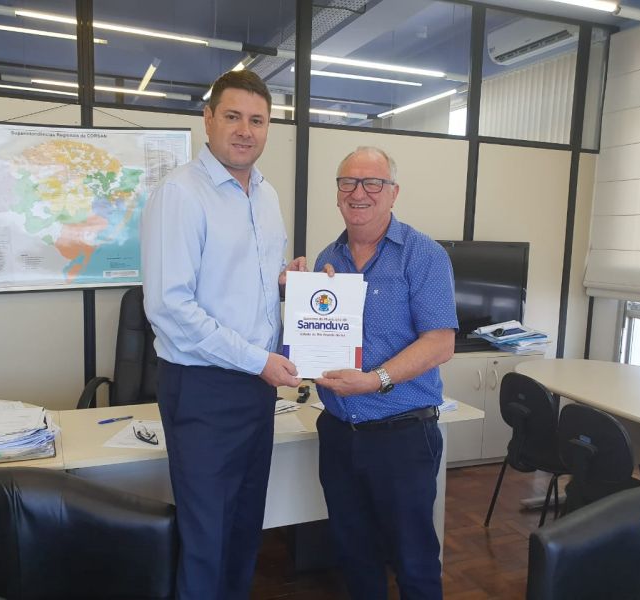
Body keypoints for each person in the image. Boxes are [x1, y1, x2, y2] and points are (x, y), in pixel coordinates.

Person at [141, 70, 305, 600]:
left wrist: (287, 282)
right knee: (206, 537)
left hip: (256, 388)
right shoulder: (180, 194)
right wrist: (259, 361)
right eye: (233, 116)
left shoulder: (266, 194)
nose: (245, 130)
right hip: (204, 388)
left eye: (257, 120)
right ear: (208, 119)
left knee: (243, 528)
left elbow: (246, 280)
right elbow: (170, 307)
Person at [314, 146, 458, 600]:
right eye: (348, 182)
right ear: (337, 193)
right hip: (339, 433)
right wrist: (296, 290)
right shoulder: (326, 259)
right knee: (354, 555)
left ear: (393, 193)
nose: (359, 193)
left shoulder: (423, 254)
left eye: (372, 182)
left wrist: (374, 380)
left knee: (413, 560)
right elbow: (317, 335)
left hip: (401, 436)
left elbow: (441, 342)